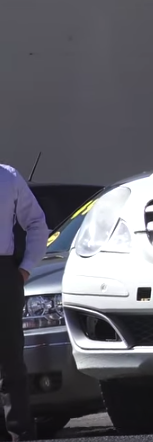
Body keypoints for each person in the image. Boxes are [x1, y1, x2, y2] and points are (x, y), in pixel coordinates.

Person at [0, 165, 47, 441]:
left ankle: (19, 431)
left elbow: (37, 222)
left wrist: (26, 267)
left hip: (4, 274)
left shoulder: (7, 177)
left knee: (10, 357)